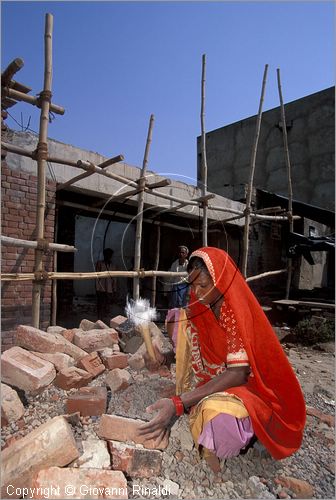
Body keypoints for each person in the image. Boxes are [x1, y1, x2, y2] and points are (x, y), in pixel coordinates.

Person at [138, 246, 306, 472]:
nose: (197, 293)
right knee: (178, 319)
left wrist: (178, 403)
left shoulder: (235, 312)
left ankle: (251, 427)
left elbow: (238, 373)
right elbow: (192, 352)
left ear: (222, 280)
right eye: (193, 285)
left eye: (204, 285)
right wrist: (166, 358)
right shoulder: (200, 307)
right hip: (211, 379)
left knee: (222, 421)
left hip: (250, 384)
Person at [95, 248, 117, 322]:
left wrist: (114, 289)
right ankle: (99, 318)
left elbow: (114, 278)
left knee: (107, 303)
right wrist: (97, 288)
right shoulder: (100, 263)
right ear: (104, 255)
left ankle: (104, 318)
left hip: (109, 288)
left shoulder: (113, 265)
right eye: (106, 254)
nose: (108, 256)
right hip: (101, 288)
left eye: (109, 255)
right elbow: (97, 277)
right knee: (100, 303)